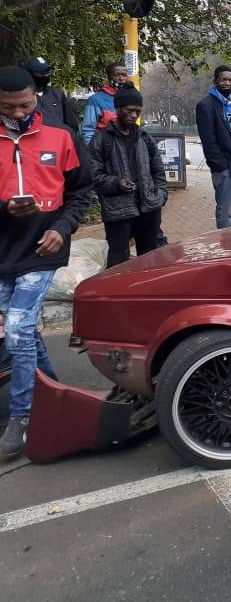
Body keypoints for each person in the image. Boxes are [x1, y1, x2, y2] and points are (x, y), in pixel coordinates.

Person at [0, 66, 91, 459]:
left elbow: (81, 191)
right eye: (9, 107)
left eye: (26, 104)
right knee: (22, 334)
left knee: (18, 329)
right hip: (4, 250)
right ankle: (54, 391)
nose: (20, 113)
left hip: (44, 248)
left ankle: (22, 414)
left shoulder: (62, 136)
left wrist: (64, 229)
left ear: (36, 97)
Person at [87, 88, 167, 267]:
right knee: (118, 262)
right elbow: (91, 175)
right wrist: (116, 183)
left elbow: (159, 172)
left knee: (150, 260)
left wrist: (161, 196)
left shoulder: (145, 138)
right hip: (118, 211)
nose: (133, 115)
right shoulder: (101, 140)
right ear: (118, 108)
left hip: (149, 208)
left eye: (137, 111)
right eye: (129, 110)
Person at [196, 65, 231, 228]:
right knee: (225, 214)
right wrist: (219, 165)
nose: (227, 83)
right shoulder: (206, 105)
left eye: (230, 80)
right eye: (223, 79)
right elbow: (208, 140)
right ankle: (227, 248)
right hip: (224, 167)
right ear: (215, 81)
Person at [21, 57, 78, 135]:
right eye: (40, 73)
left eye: (47, 71)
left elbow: (71, 125)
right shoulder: (20, 97)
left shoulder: (58, 94)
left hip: (59, 142)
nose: (44, 75)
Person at [82, 62, 130, 144]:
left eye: (124, 75)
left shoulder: (130, 98)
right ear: (109, 77)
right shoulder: (95, 100)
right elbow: (87, 132)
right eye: (116, 75)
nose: (121, 78)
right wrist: (96, 153)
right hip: (105, 152)